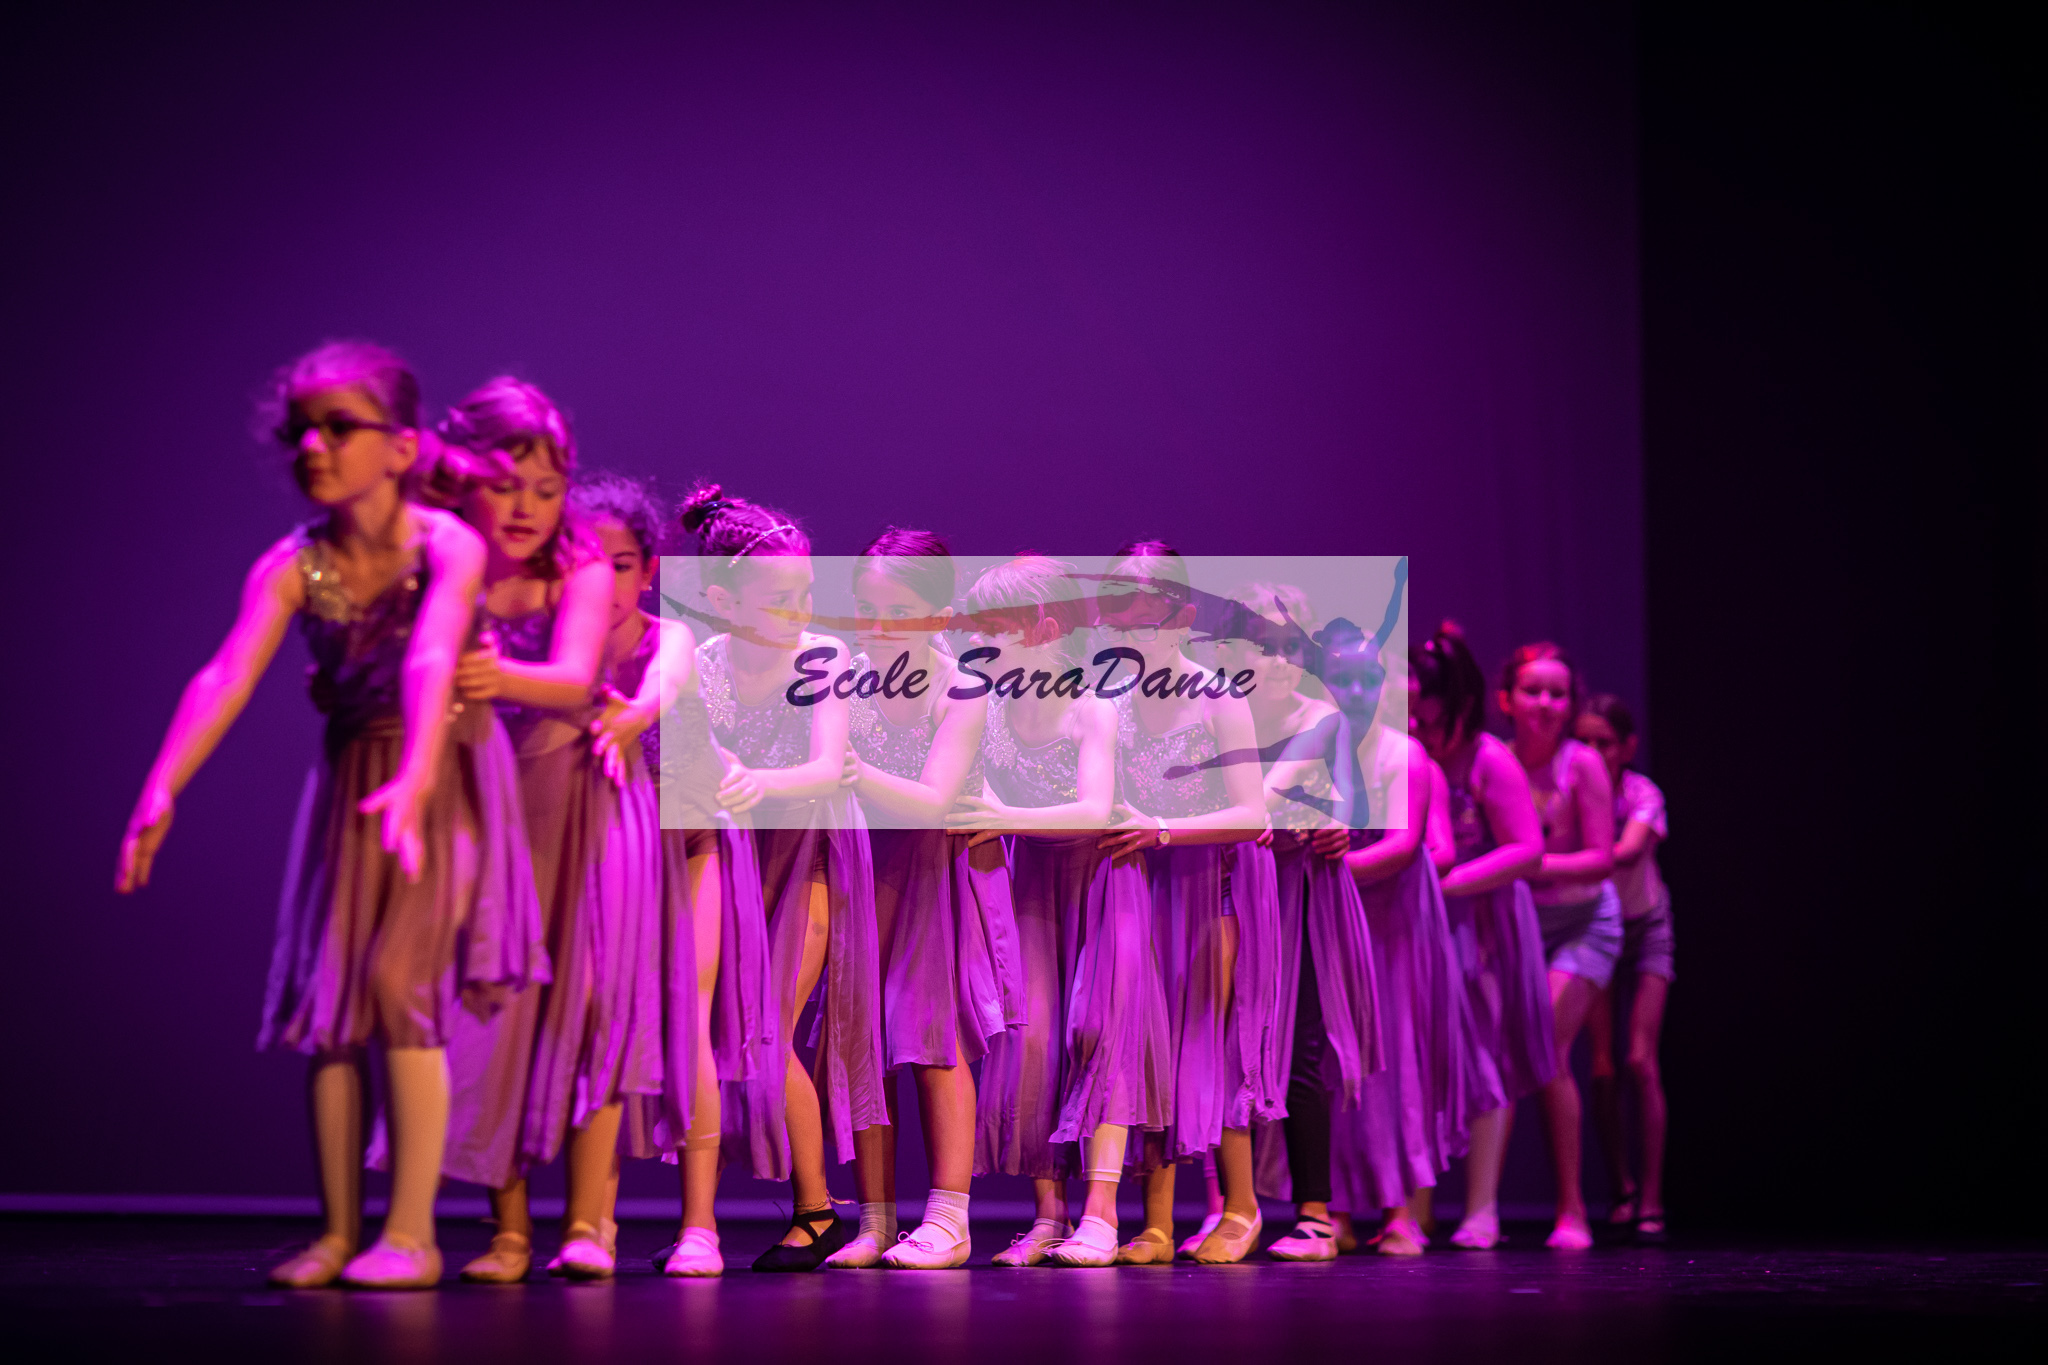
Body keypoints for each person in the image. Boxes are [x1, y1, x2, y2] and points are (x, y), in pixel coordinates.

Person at [116, 341, 540, 1290]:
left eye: (339, 427)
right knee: (334, 1001)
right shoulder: (294, 563)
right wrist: (162, 783)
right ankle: (341, 1232)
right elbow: (227, 673)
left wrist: (419, 772)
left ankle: (414, 1234)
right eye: (300, 430)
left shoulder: (447, 544)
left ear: (401, 446)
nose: (313, 446)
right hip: (355, 775)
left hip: (444, 772)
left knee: (398, 981)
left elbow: (432, 655)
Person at [432, 380, 662, 1283]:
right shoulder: (449, 559)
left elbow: (572, 678)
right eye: (506, 485)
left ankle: (590, 1223)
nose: (528, 506)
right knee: (501, 1007)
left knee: (594, 1005)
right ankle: (509, 1231)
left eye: (547, 486)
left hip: (585, 800)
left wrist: (486, 676)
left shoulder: (582, 569)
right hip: (489, 804)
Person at [681, 483, 887, 1272]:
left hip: (809, 855)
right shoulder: (701, 665)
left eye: (806, 591)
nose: (800, 610)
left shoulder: (821, 657)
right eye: (780, 598)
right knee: (716, 1028)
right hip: (737, 856)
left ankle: (818, 1209)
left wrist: (753, 778)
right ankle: (706, 1221)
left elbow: (828, 765)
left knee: (766, 1026)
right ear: (723, 602)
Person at [954, 556, 1171, 1268]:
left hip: (1103, 882)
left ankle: (1101, 1214)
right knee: (1033, 1041)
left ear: (1046, 631)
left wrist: (1002, 815)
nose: (976, 643)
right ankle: (1049, 1214)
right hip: (1034, 885)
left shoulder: (1089, 706)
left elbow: (1095, 807)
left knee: (1101, 1032)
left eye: (992, 631)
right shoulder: (989, 708)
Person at [835, 530, 1025, 1269]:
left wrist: (848, 769)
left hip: (936, 872)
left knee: (931, 1038)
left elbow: (933, 798)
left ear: (940, 618)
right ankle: (875, 1220)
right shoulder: (846, 677)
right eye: (867, 609)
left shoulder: (962, 688)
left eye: (899, 612)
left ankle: (950, 1218)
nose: (879, 627)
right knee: (857, 1037)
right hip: (864, 866)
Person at [1092, 544, 1277, 1266]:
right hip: (1145, 886)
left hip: (1214, 884)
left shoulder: (1217, 695)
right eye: (1120, 623)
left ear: (1183, 618)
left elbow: (1252, 811)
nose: (1132, 638)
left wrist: (1164, 828)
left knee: (1207, 1040)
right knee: (1149, 1044)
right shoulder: (1111, 698)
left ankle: (1242, 1205)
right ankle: (1159, 1220)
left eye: (1147, 624)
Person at [1408, 624, 1551, 1251]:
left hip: (1481, 920)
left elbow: (1527, 849)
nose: (1416, 714)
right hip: (1425, 919)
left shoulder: (1489, 758)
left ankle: (1482, 1207)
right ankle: (1414, 1208)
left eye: (1426, 702)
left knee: (1485, 1058)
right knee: (1419, 1058)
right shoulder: (1411, 748)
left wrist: (1450, 884)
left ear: (1457, 700)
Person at [1498, 641, 1618, 1250]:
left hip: (1584, 922)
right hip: (1520, 923)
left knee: (1548, 1043)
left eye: (1557, 693)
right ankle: (1479, 1210)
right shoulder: (1498, 760)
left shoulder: (1582, 764)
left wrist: (1528, 863)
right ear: (1506, 699)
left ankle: (1572, 1209)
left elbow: (1600, 859)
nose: (1545, 703)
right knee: (1499, 1053)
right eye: (1533, 691)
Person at [1574, 694, 1671, 1245]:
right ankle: (1621, 1189)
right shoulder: (1571, 790)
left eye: (1603, 743)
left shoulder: (1641, 794)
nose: (1592, 752)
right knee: (1604, 1064)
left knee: (1640, 1059)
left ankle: (1652, 1198)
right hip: (1597, 923)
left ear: (1626, 748)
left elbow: (1629, 851)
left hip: (1645, 926)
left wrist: (1553, 857)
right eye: (1583, 742)